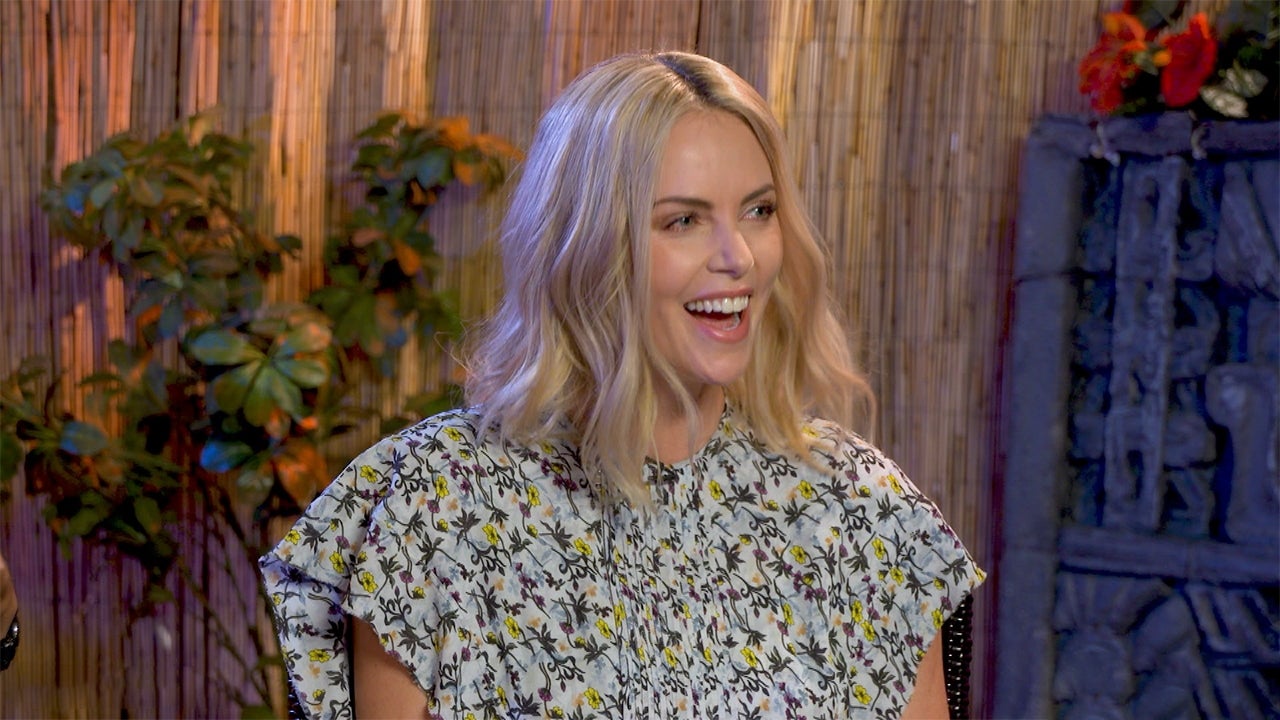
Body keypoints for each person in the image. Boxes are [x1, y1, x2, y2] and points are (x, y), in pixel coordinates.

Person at [261, 50, 983, 719]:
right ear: (588, 246)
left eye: (759, 211)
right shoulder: (438, 507)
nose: (738, 256)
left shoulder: (863, 513)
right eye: (684, 220)